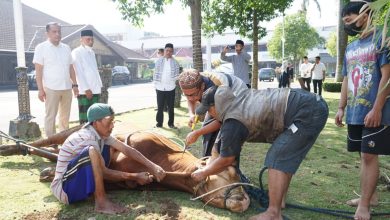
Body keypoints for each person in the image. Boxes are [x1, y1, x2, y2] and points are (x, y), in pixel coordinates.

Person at [192, 85, 328, 220]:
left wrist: (203, 173)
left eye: (209, 109)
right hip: (308, 102)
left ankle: (273, 214)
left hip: (308, 111)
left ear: (218, 105)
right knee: (284, 155)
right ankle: (279, 202)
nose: (209, 113)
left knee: (277, 157)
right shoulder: (237, 100)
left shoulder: (233, 122)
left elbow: (226, 159)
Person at [50, 103, 166, 214]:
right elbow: (104, 172)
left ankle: (98, 190)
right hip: (64, 189)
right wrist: (135, 176)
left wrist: (153, 166)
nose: (112, 126)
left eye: (113, 121)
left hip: (74, 182)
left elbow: (126, 149)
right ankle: (101, 202)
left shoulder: (101, 134)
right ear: (95, 123)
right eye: (109, 121)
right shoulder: (87, 138)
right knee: (92, 151)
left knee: (106, 147)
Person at [335, 1, 390, 220]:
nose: (347, 26)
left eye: (349, 21)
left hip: (378, 110)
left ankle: (365, 206)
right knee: (363, 155)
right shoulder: (351, 47)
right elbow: (347, 78)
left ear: (364, 15)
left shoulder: (382, 39)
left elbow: (387, 76)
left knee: (368, 154)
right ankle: (372, 196)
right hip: (355, 112)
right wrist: (341, 108)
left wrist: (377, 108)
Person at [178, 69, 247, 156]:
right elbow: (190, 97)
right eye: (186, 94)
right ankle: (207, 159)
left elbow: (221, 120)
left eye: (193, 95)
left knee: (226, 138)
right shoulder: (192, 82)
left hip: (237, 95)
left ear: (202, 86)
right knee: (207, 133)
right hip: (215, 98)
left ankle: (227, 165)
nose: (190, 98)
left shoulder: (218, 89)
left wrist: (197, 133)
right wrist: (191, 114)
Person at [33, 22, 79, 137]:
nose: (57, 34)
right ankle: (51, 140)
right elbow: (38, 70)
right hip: (51, 87)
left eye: (59, 31)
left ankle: (63, 138)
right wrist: (40, 89)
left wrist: (75, 85)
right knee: (50, 116)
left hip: (67, 87)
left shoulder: (66, 48)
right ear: (47, 33)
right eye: (54, 31)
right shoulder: (41, 48)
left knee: (65, 116)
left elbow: (71, 68)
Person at [72, 30, 103, 124]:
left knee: (95, 118)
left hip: (95, 89)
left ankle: (94, 137)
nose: (90, 41)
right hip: (85, 91)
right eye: (88, 39)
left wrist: (99, 86)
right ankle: (85, 137)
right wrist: (86, 89)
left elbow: (93, 71)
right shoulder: (77, 52)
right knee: (85, 119)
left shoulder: (91, 52)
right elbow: (78, 72)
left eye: (92, 39)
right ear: (81, 40)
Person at [153, 43, 180, 128]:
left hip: (170, 87)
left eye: (170, 51)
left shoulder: (175, 63)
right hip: (160, 87)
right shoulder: (158, 61)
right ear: (164, 51)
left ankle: (171, 124)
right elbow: (155, 73)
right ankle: (159, 123)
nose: (168, 52)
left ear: (172, 52)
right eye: (167, 50)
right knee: (160, 107)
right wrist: (156, 84)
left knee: (170, 107)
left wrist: (174, 82)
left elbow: (177, 75)